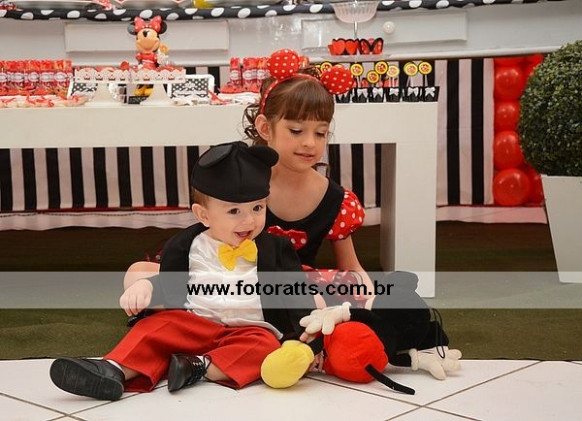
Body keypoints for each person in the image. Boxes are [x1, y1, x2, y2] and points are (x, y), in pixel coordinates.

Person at [49, 141, 315, 401]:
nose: (249, 220)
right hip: (194, 325)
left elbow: (296, 295)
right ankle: (114, 370)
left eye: (257, 208)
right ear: (203, 215)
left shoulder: (276, 249)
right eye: (234, 211)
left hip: (250, 330)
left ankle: (197, 367)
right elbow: (171, 284)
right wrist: (147, 286)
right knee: (157, 326)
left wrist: (310, 340)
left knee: (266, 345)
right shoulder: (186, 246)